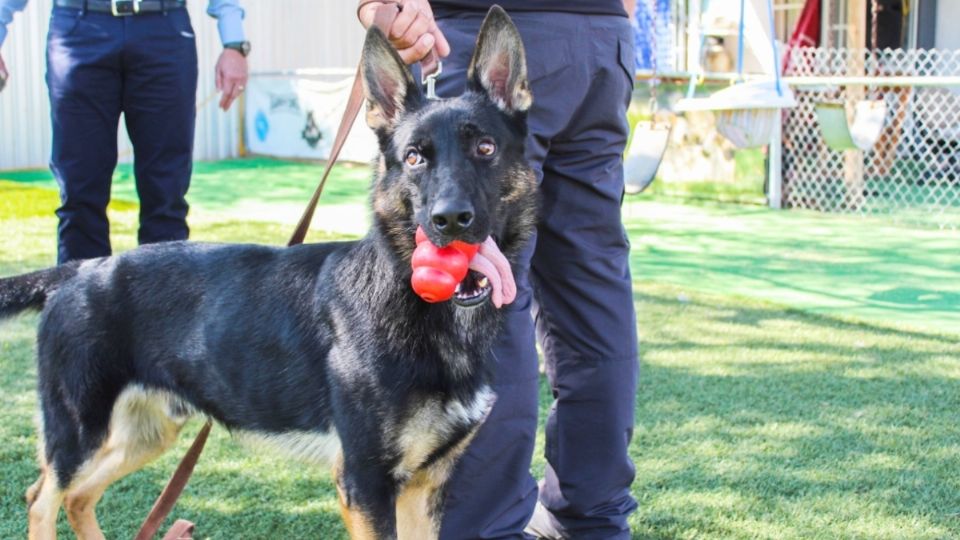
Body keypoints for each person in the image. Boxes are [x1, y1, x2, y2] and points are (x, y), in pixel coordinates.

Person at [359, 1, 640, 538]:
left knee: (476, 290)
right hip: (602, 42)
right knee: (591, 284)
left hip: (487, 33)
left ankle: (484, 526)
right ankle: (595, 521)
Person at [0, 0, 250, 263]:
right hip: (79, 29)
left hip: (164, 29)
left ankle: (164, 302)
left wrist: (234, 42)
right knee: (80, 189)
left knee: (167, 192)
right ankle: (79, 302)